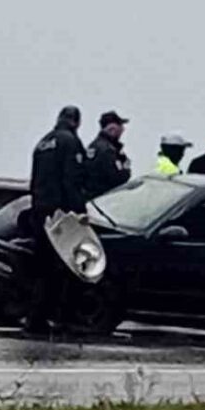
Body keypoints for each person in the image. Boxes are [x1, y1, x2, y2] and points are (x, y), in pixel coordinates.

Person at [26, 106, 87, 333]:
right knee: (63, 268)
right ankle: (60, 317)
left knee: (42, 267)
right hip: (60, 214)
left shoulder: (43, 143)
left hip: (40, 210)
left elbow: (34, 181)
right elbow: (72, 180)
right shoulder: (69, 142)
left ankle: (35, 318)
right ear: (76, 122)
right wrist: (79, 212)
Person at [83, 110, 131, 199]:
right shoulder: (107, 150)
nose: (123, 130)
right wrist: (125, 167)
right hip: (103, 200)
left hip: (90, 198)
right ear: (112, 129)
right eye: (120, 126)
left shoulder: (93, 147)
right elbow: (118, 179)